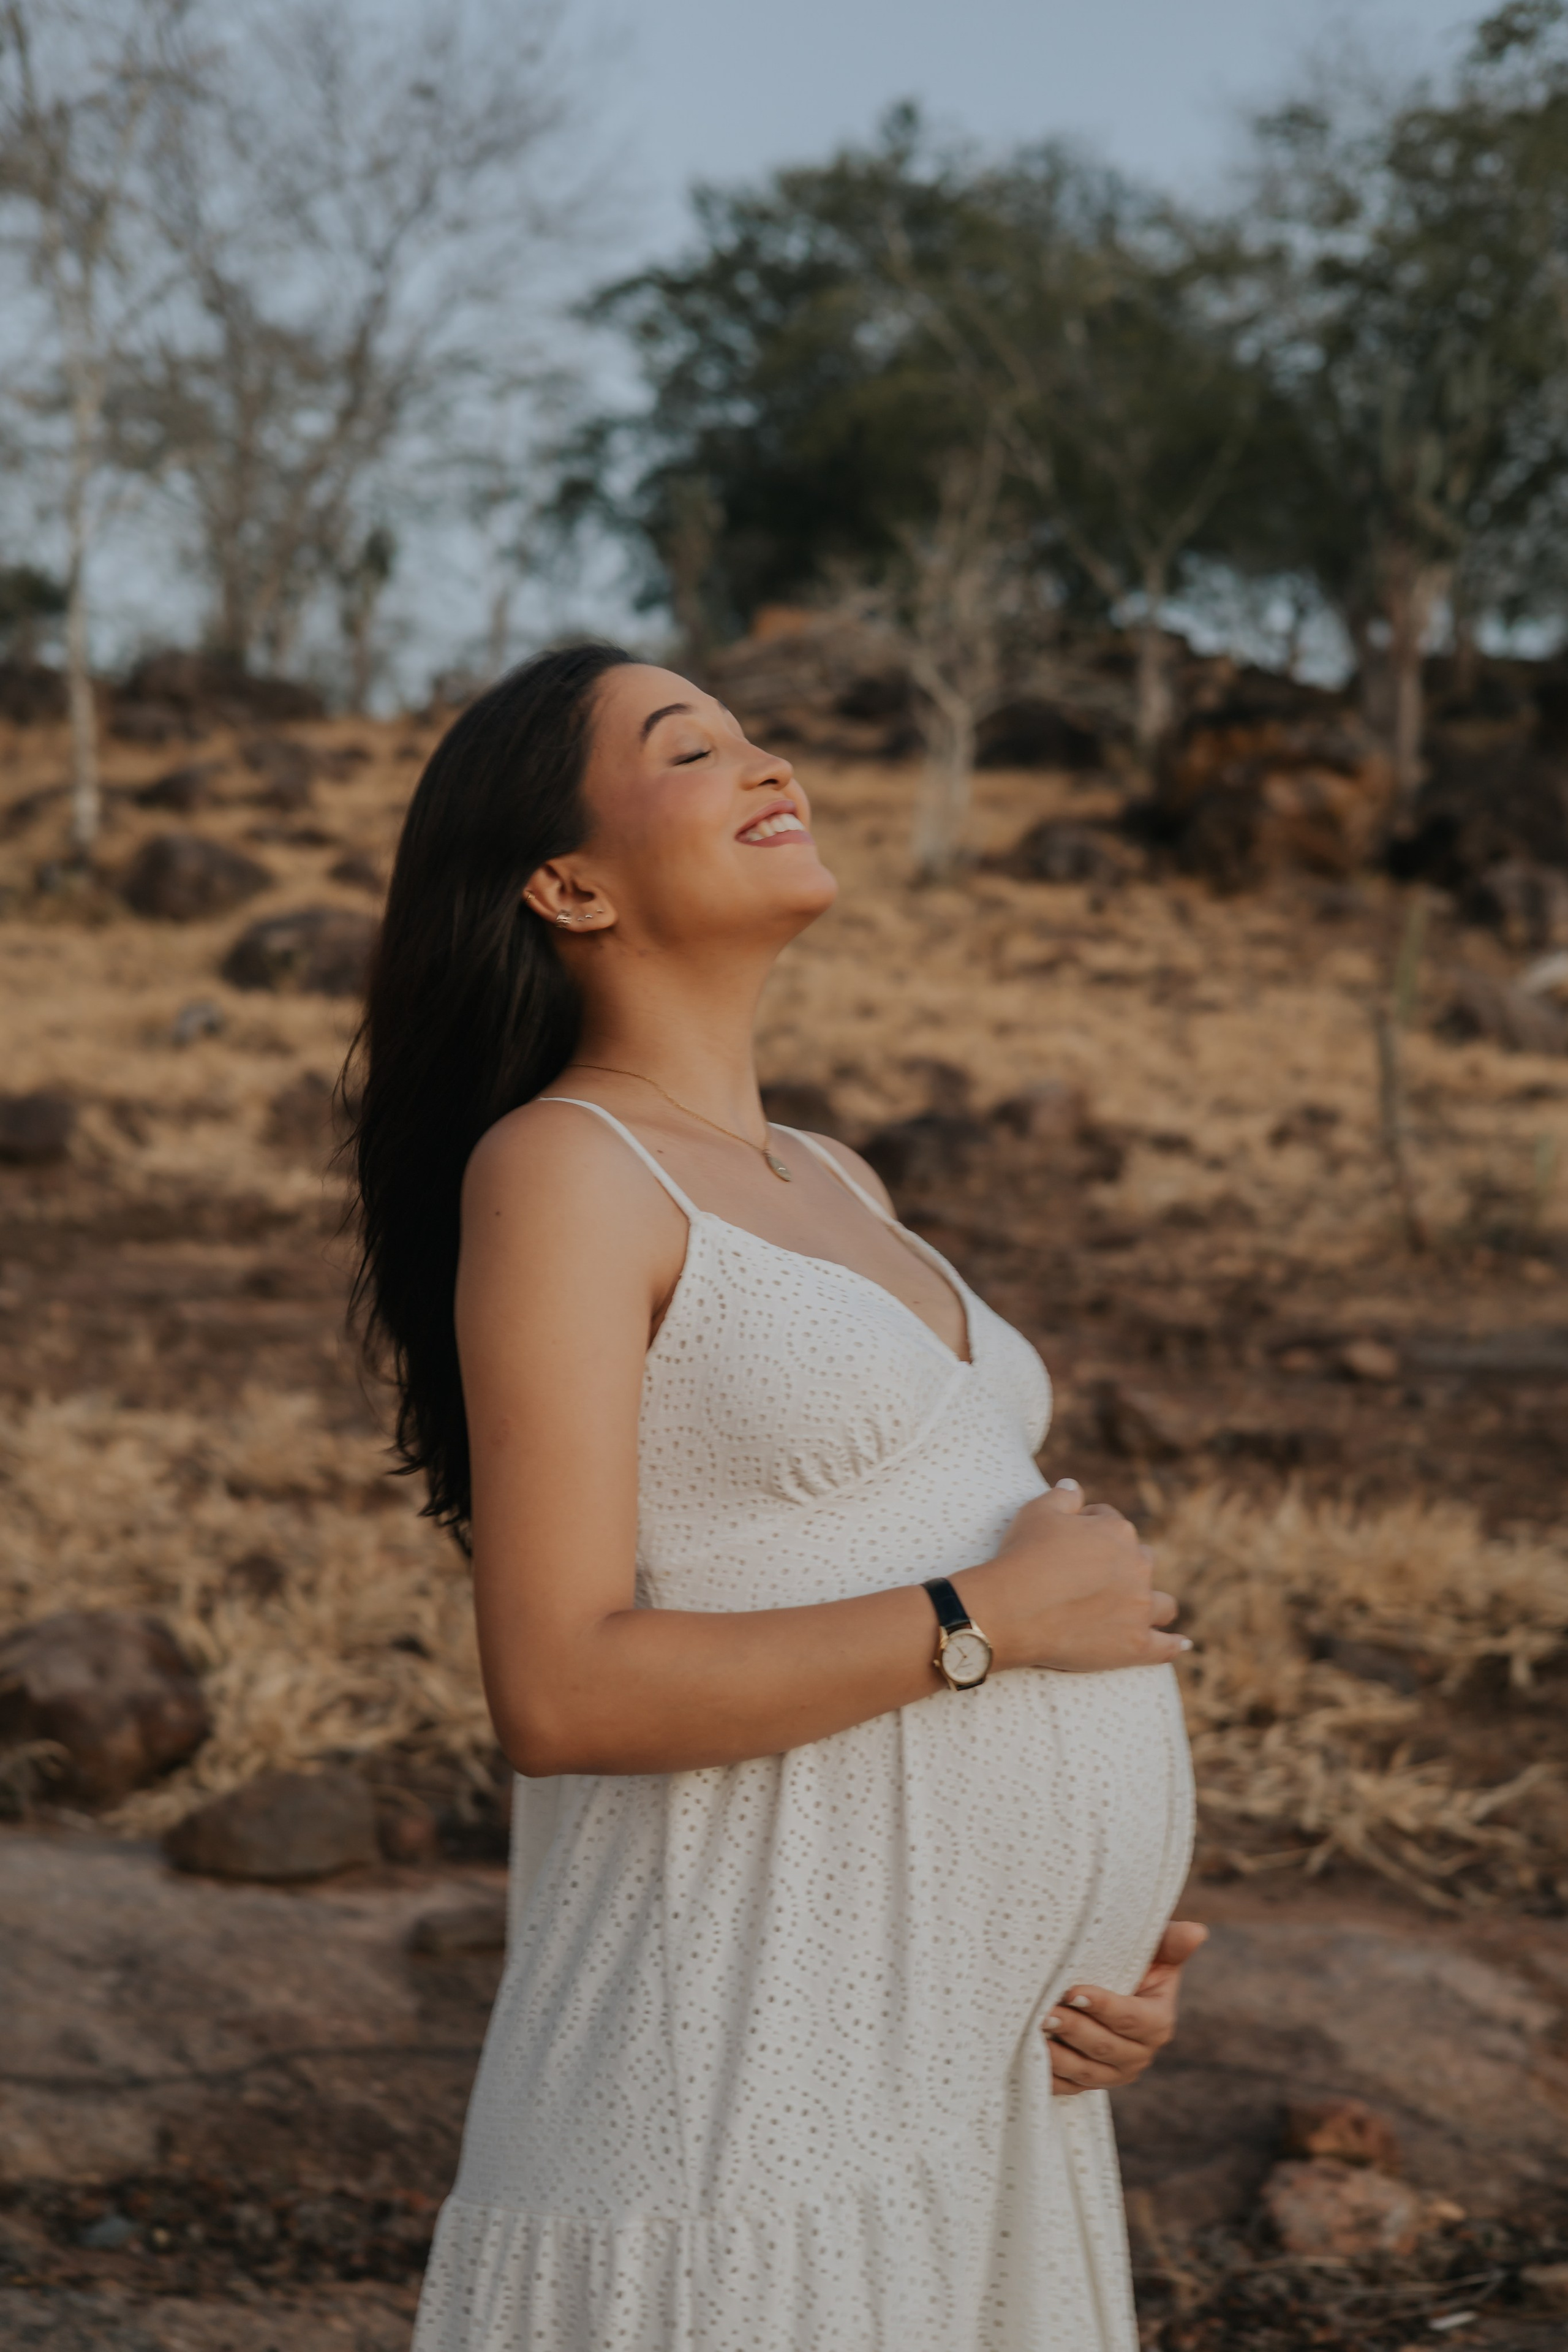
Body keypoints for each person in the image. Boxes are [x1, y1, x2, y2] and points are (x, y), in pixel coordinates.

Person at [350, 641, 1205, 2352]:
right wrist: (990, 1623)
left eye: (761, 739)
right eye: (694, 748)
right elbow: (562, 1685)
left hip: (980, 2082)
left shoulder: (835, 1175)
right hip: (744, 2089)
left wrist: (1100, 1948)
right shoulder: (564, 1170)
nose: (770, 764)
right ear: (567, 882)